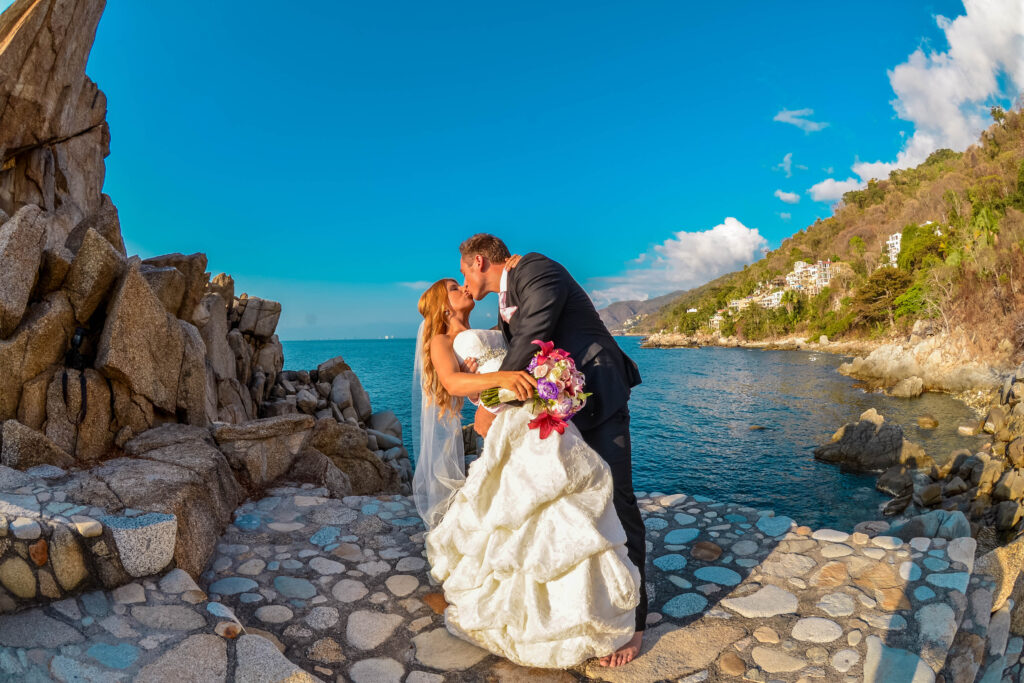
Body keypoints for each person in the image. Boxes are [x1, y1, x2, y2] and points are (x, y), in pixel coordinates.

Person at [413, 276, 641, 669]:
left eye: (462, 281)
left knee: (565, 502)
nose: (464, 288)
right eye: (455, 287)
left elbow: (516, 360)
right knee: (527, 509)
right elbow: (453, 382)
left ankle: (586, 611)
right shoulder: (441, 339)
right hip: (511, 424)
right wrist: (494, 382)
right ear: (443, 305)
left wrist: (544, 378)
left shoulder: (490, 330)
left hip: (538, 414)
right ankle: (531, 616)